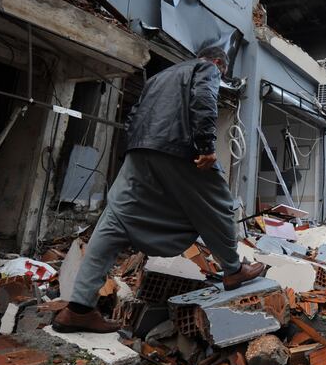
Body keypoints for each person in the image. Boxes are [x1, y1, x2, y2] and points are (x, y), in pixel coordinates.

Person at [52, 46, 264, 333]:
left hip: (139, 150)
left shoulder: (158, 78)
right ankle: (233, 270)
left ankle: (78, 309)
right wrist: (206, 146)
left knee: (115, 220)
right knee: (219, 206)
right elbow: (204, 99)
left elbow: (133, 115)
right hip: (180, 149)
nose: (220, 74)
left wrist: (136, 146)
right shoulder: (206, 68)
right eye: (222, 71)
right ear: (218, 62)